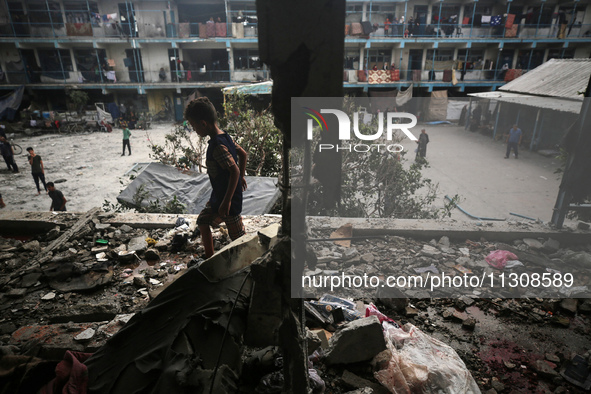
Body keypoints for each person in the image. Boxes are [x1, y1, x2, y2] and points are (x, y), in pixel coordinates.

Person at [185, 97, 248, 259]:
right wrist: (241, 176)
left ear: (203, 123)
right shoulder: (224, 137)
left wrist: (227, 200)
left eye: (194, 126)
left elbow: (233, 171)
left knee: (238, 238)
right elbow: (243, 154)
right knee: (203, 221)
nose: (195, 130)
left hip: (228, 200)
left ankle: (248, 260)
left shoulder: (218, 146)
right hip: (220, 196)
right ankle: (209, 257)